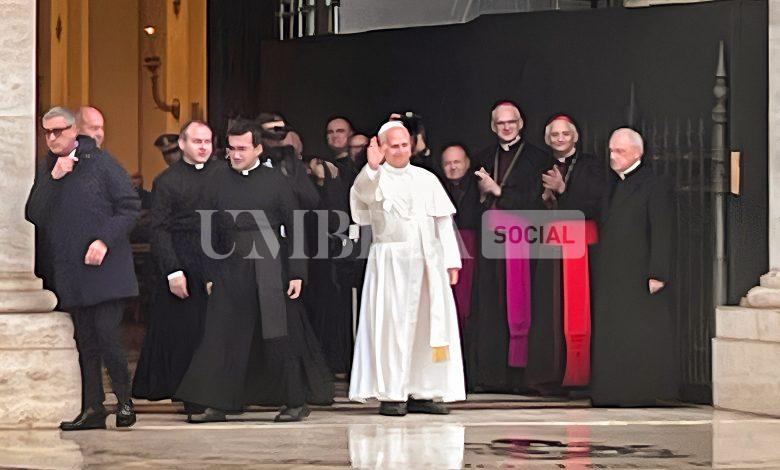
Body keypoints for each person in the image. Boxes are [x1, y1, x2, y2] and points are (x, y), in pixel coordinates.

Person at [175, 119, 333, 423]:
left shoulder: (277, 182)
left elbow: (296, 227)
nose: (236, 155)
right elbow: (206, 228)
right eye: (231, 149)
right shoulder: (216, 180)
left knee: (278, 335)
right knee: (223, 334)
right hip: (229, 264)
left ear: (258, 148)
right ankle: (218, 403)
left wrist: (298, 272)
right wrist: (208, 273)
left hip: (270, 264)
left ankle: (294, 402)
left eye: (242, 149)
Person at [26, 106, 140, 431]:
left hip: (106, 269)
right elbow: (34, 213)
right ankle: (93, 408)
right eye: (47, 132)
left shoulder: (102, 163)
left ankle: (124, 401)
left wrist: (104, 240)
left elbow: (130, 206)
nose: (52, 138)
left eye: (58, 131)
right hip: (71, 270)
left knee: (107, 337)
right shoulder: (49, 168)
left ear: (74, 130)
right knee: (85, 342)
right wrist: (54, 179)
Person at [349, 121, 465, 416]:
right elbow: (362, 195)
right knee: (392, 328)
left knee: (427, 327)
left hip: (428, 264)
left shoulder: (427, 178)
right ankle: (393, 393)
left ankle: (423, 390)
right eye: (393, 145)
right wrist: (372, 168)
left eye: (404, 144)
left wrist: (452, 261)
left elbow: (443, 223)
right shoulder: (373, 177)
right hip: (391, 264)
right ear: (382, 147)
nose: (400, 150)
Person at [132, 121, 218, 413]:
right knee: (187, 331)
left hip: (218, 258)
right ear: (182, 144)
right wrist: (172, 270)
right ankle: (192, 397)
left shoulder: (223, 175)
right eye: (197, 141)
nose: (203, 147)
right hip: (184, 261)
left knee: (219, 330)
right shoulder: (166, 181)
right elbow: (159, 229)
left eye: (207, 141)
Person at [590, 128, 677, 406]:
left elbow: (663, 229)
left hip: (639, 272)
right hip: (613, 272)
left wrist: (658, 272)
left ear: (637, 153)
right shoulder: (612, 184)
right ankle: (611, 392)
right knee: (613, 332)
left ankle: (640, 392)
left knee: (639, 333)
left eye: (620, 152)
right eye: (611, 151)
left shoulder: (653, 184)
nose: (613, 156)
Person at [466, 100, 548, 393]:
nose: (506, 127)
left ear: (521, 123)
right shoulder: (482, 157)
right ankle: (491, 376)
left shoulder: (537, 158)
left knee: (521, 303)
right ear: (493, 126)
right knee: (490, 304)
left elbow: (537, 201)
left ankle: (520, 377)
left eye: (511, 122)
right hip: (490, 245)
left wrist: (499, 191)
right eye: (501, 123)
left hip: (522, 244)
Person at [525, 115, 607, 395]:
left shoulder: (590, 166)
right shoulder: (540, 165)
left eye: (565, 134)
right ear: (548, 139)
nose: (560, 139)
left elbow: (596, 202)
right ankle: (549, 375)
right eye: (555, 135)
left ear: (575, 137)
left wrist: (564, 190)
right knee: (549, 307)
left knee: (578, 308)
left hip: (580, 248)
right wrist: (546, 199)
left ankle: (579, 375)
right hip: (550, 244)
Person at [440, 144, 482, 338]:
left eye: (457, 162)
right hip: (443, 248)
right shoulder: (437, 186)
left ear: (467, 163)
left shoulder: (479, 186)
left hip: (472, 246)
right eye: (447, 163)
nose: (453, 167)